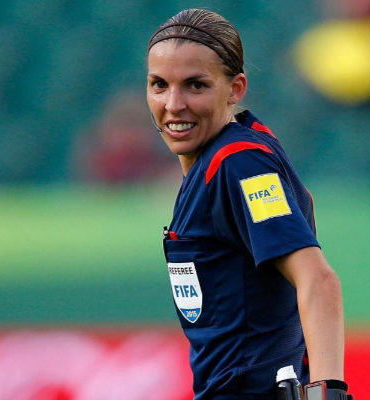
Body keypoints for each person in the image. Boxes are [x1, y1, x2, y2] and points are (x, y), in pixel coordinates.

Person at [147, 9, 351, 400]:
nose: (173, 104)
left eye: (195, 85)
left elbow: (318, 279)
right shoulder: (221, 160)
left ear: (235, 89)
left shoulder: (239, 163)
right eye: (159, 85)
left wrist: (327, 394)